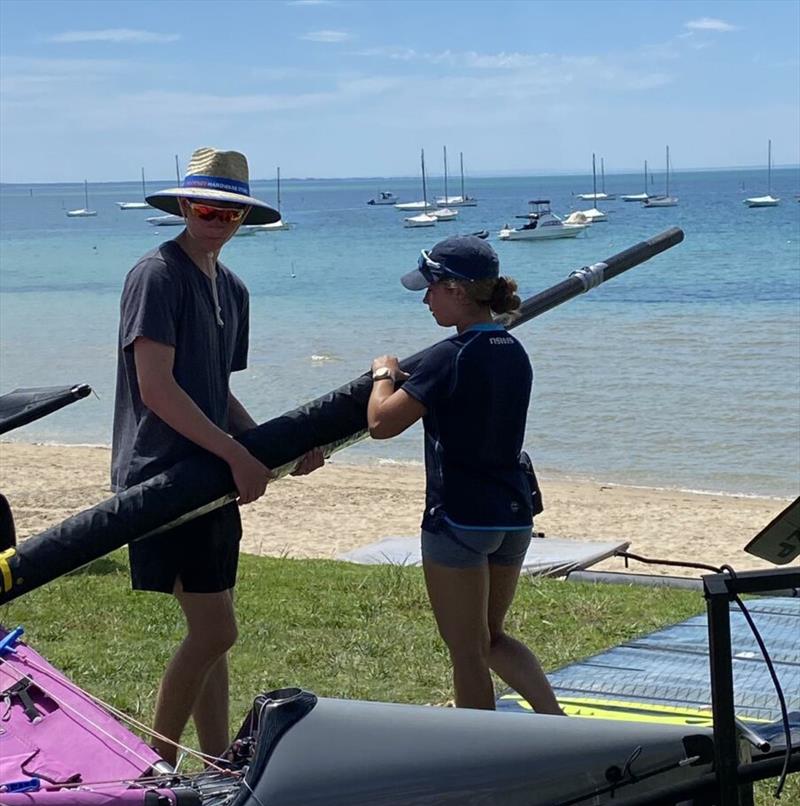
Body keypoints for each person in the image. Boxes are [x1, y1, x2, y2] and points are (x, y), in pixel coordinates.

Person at [111, 147, 322, 766]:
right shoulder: (156, 274)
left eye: (231, 211)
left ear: (243, 219)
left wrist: (269, 450)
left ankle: (217, 766)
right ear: (182, 206)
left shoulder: (231, 287)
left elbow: (214, 389)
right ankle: (159, 768)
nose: (217, 218)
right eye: (206, 206)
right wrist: (237, 455)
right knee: (216, 630)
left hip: (211, 471)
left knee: (214, 637)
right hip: (162, 476)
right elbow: (157, 386)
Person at [367, 236, 564, 714]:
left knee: (467, 649)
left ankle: (481, 751)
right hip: (511, 514)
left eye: (431, 288)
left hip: (458, 519)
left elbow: (381, 423)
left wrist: (383, 374)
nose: (425, 298)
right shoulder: (512, 350)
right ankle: (556, 721)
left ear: (455, 289)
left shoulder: (446, 356)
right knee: (491, 637)